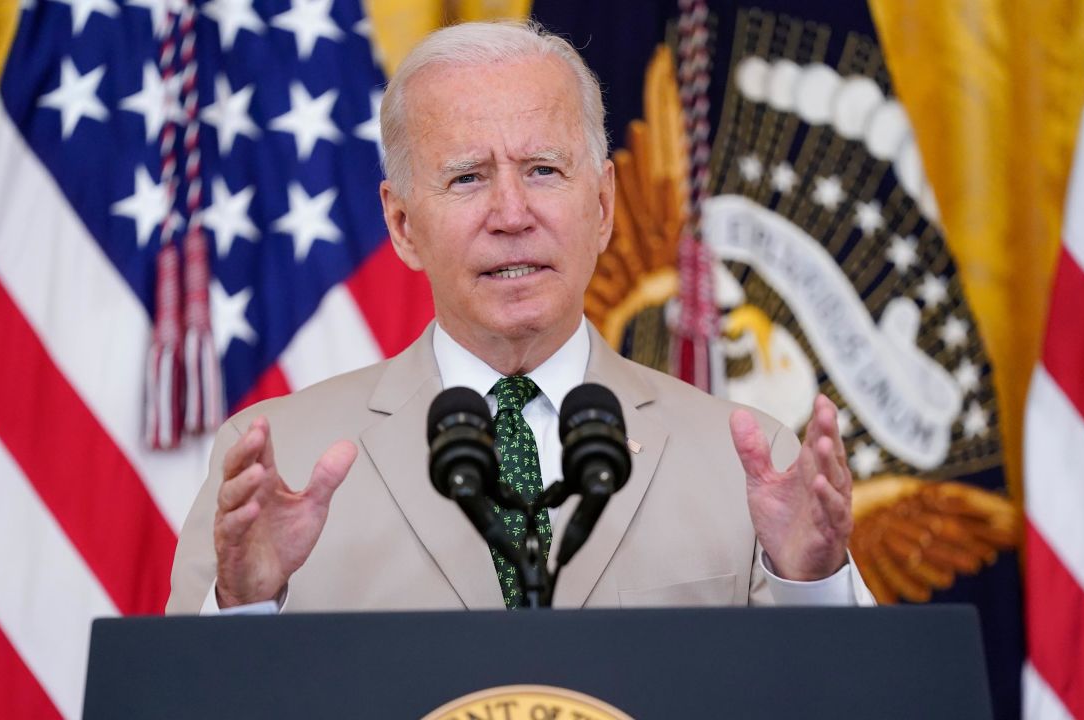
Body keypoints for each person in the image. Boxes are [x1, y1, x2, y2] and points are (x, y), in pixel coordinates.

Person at [167, 20, 874, 614]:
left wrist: (813, 584)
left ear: (601, 206)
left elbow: (851, 701)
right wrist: (247, 607)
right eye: (468, 177)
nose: (512, 215)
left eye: (543, 170)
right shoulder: (280, 465)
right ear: (403, 224)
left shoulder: (746, 465)